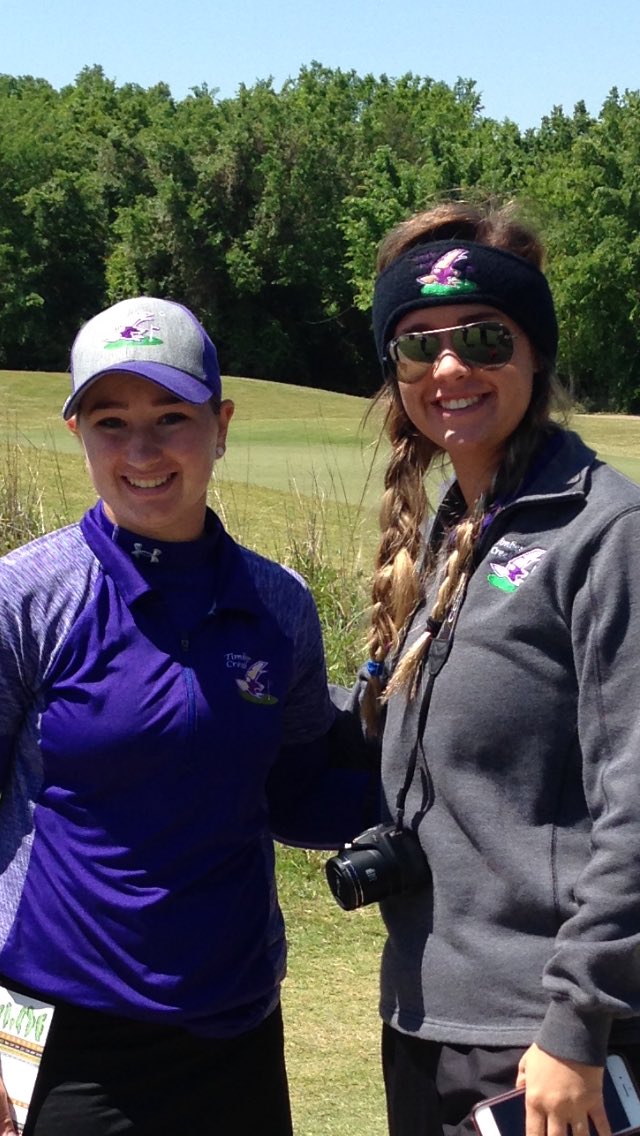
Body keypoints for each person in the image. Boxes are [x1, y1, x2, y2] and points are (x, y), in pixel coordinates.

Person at [0, 296, 369, 1136]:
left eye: (171, 416)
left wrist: (429, 772)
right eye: (110, 422)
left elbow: (296, 794)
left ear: (221, 422)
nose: (141, 451)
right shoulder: (26, 596)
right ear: (77, 434)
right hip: (60, 1029)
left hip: (233, 1024)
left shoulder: (279, 604)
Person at [333, 202, 640, 1136]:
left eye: (481, 337)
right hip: (428, 1011)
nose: (450, 368)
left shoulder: (607, 534)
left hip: (540, 1042)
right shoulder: (454, 530)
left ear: (535, 353)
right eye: (418, 346)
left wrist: (579, 1021)